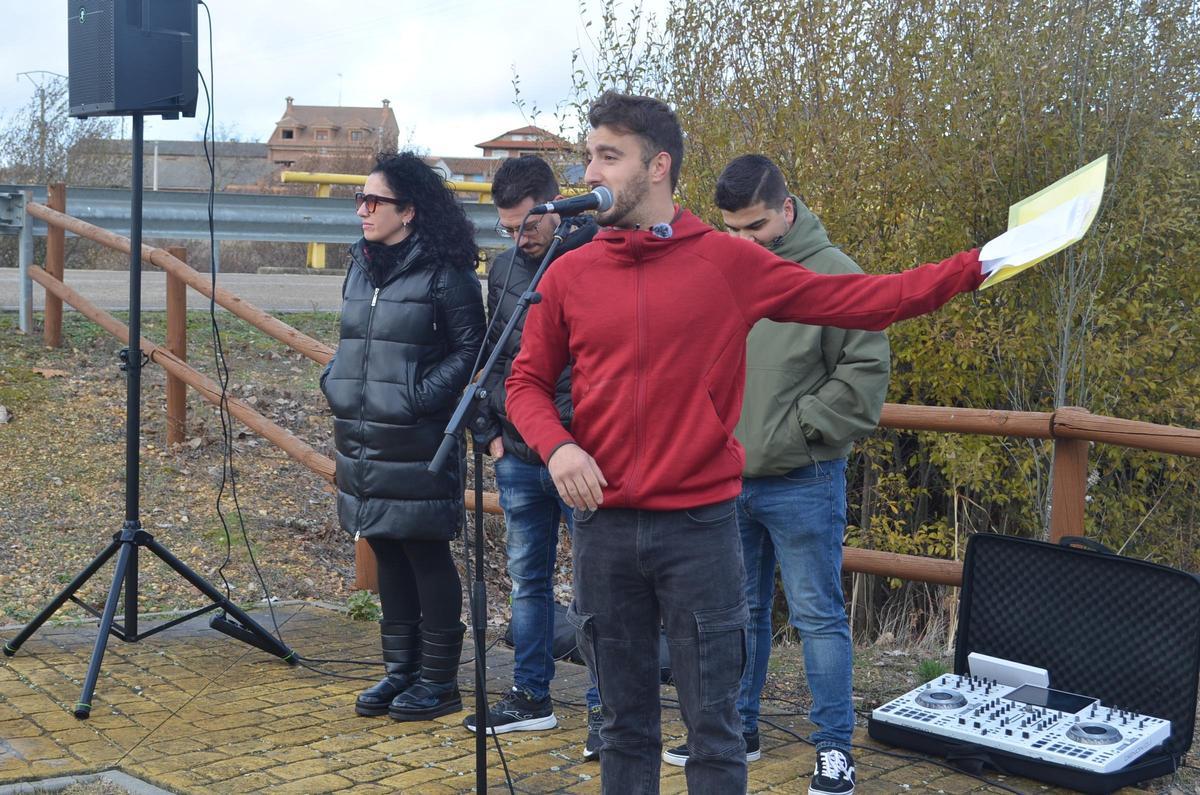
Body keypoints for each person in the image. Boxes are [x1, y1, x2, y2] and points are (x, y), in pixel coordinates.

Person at [505, 91, 987, 794]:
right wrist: (557, 447)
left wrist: (980, 264)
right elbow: (524, 382)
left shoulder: (728, 262)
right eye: (588, 154)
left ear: (657, 165)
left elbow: (871, 299)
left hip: (701, 531)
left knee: (717, 733)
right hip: (603, 531)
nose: (587, 171)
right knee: (623, 728)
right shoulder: (572, 271)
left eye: (607, 154)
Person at [661, 155, 889, 795]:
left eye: (755, 227)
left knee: (818, 616)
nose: (742, 241)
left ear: (787, 210)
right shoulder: (720, 270)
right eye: (731, 228)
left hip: (802, 480)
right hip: (727, 478)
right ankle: (741, 729)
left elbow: (865, 372)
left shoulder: (836, 274)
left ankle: (834, 750)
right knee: (741, 613)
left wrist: (799, 435)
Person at [320, 151, 485, 722]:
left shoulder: (447, 273)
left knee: (424, 550)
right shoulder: (360, 264)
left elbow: (472, 352)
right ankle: (401, 671)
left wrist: (416, 399)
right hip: (362, 435)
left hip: (419, 437)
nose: (362, 211)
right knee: (384, 543)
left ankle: (439, 682)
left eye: (374, 201)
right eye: (359, 200)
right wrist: (336, 382)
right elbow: (352, 343)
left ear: (409, 210)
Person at [463, 156, 604, 757]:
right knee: (528, 580)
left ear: (553, 204)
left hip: (582, 452)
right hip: (518, 452)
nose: (518, 239)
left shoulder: (599, 254)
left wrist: (574, 436)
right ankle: (531, 697)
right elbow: (494, 348)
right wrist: (490, 428)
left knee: (598, 587)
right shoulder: (502, 269)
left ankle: (607, 711)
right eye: (506, 228)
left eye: (526, 225)